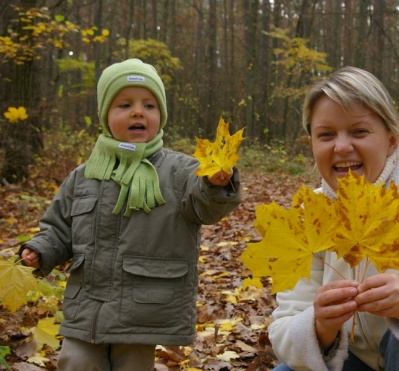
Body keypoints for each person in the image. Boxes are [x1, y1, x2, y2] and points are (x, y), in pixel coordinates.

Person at [20, 58, 241, 370]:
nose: (138, 112)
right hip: (88, 306)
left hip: (142, 310)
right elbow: (58, 230)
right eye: (125, 104)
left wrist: (216, 183)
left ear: (160, 116)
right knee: (76, 362)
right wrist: (39, 250)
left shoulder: (180, 171)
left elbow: (205, 206)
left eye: (149, 105)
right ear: (105, 116)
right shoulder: (83, 176)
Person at [269, 66, 399, 370]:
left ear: (391, 141)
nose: (342, 146)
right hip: (360, 362)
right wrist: (320, 327)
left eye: (359, 131)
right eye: (326, 135)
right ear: (313, 145)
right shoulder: (309, 218)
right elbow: (284, 328)